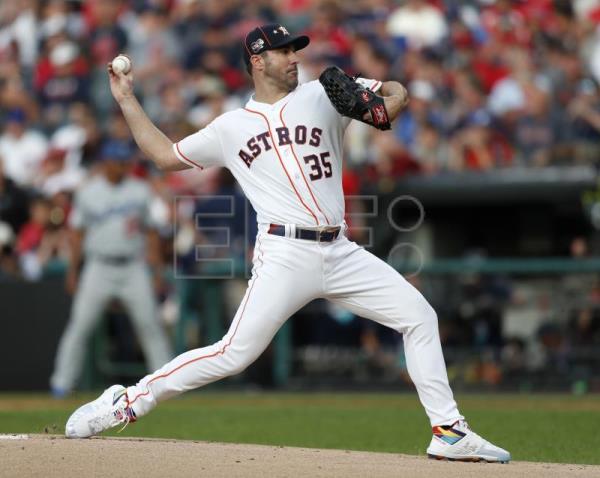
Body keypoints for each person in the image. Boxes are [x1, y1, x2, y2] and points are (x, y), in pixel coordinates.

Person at [64, 24, 510, 463]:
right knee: (232, 354)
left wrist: (386, 99)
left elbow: (394, 96)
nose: (294, 57)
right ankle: (128, 401)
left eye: (295, 50)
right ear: (258, 61)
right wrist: (125, 98)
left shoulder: (324, 92)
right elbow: (164, 156)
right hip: (285, 254)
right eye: (283, 51)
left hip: (341, 250)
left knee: (418, 315)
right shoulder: (231, 127)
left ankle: (449, 431)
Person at [50, 140, 173, 397]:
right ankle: (61, 383)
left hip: (132, 267)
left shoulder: (139, 190)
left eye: (125, 161)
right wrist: (74, 270)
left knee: (150, 324)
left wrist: (157, 270)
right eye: (118, 161)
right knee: (80, 326)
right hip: (98, 266)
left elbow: (150, 233)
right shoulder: (88, 192)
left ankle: (165, 385)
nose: (123, 166)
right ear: (106, 162)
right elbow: (77, 235)